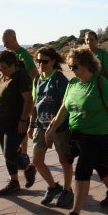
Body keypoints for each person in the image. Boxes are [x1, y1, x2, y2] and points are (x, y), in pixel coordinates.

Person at [45, 46, 108, 215]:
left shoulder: (100, 83)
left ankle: (75, 211)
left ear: (86, 64)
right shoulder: (73, 84)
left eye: (75, 66)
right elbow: (64, 109)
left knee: (82, 171)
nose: (72, 70)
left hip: (97, 136)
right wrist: (51, 129)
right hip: (76, 136)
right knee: (102, 167)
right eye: (70, 67)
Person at [27, 47, 73, 207]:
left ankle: (67, 190)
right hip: (41, 126)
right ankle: (53, 187)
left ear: (53, 61)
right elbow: (35, 104)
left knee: (64, 161)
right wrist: (31, 125)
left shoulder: (60, 80)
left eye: (44, 61)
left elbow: (65, 106)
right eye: (38, 61)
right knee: (37, 161)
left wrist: (54, 126)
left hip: (60, 128)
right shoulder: (37, 80)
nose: (41, 64)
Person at [0, 50, 37, 195]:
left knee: (10, 154)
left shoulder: (22, 77)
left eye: (4, 67)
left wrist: (23, 119)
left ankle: (28, 167)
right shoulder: (1, 76)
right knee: (6, 153)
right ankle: (14, 182)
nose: (1, 70)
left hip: (15, 123)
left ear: (13, 65)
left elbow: (28, 100)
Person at [2, 29, 38, 159]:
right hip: (13, 97)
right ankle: (20, 153)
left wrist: (23, 84)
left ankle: (24, 153)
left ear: (14, 38)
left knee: (21, 125)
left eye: (6, 41)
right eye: (3, 42)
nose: (5, 45)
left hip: (24, 96)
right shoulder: (9, 54)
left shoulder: (24, 55)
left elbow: (35, 74)